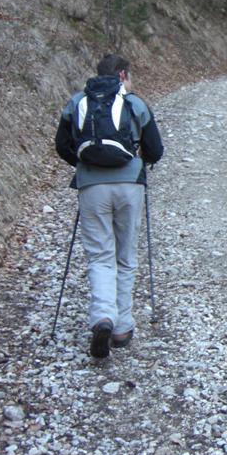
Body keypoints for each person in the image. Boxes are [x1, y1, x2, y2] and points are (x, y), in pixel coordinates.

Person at [55, 54, 163, 358]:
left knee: (100, 256)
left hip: (91, 187)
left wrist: (83, 164)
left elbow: (62, 145)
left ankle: (103, 317)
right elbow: (156, 149)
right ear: (124, 75)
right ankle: (122, 327)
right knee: (125, 256)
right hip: (129, 186)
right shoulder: (134, 103)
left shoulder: (78, 102)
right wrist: (141, 161)